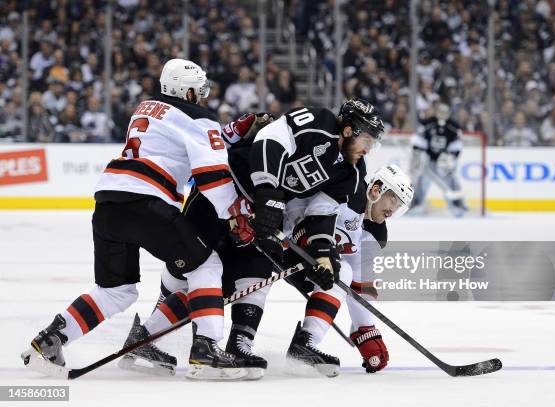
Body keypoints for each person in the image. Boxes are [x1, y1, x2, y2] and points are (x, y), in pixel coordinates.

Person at [21, 58, 254, 381]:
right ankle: (206, 350)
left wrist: (228, 133)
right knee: (207, 265)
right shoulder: (200, 117)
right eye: (196, 90)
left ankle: (50, 340)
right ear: (186, 91)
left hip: (108, 201)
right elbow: (212, 176)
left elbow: (178, 142)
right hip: (147, 202)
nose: (200, 97)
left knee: (116, 290)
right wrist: (237, 213)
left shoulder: (145, 108)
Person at [118, 98, 386, 379]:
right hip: (225, 192)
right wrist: (268, 191)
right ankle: (149, 339)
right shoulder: (319, 122)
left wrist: (321, 252)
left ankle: (234, 344)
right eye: (367, 139)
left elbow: (321, 210)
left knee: (255, 273)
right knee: (202, 271)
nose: (369, 149)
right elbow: (271, 140)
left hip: (261, 214)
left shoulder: (351, 173)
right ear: (349, 130)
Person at [285, 164, 413, 376]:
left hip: (313, 264)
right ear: (377, 189)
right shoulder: (349, 192)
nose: (393, 209)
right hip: (287, 243)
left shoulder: (376, 232)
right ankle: (304, 344)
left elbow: (361, 280)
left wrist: (365, 330)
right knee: (340, 271)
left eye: (399, 205)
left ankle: (304, 345)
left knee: (343, 272)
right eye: (393, 199)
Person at [409, 103, 467, 217]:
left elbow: (458, 145)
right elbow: (418, 141)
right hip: (429, 160)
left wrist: (451, 157)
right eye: (440, 112)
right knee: (421, 180)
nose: (442, 115)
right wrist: (418, 155)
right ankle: (415, 205)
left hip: (444, 161)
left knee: (452, 181)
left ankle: (458, 206)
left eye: (445, 113)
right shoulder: (428, 124)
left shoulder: (453, 127)